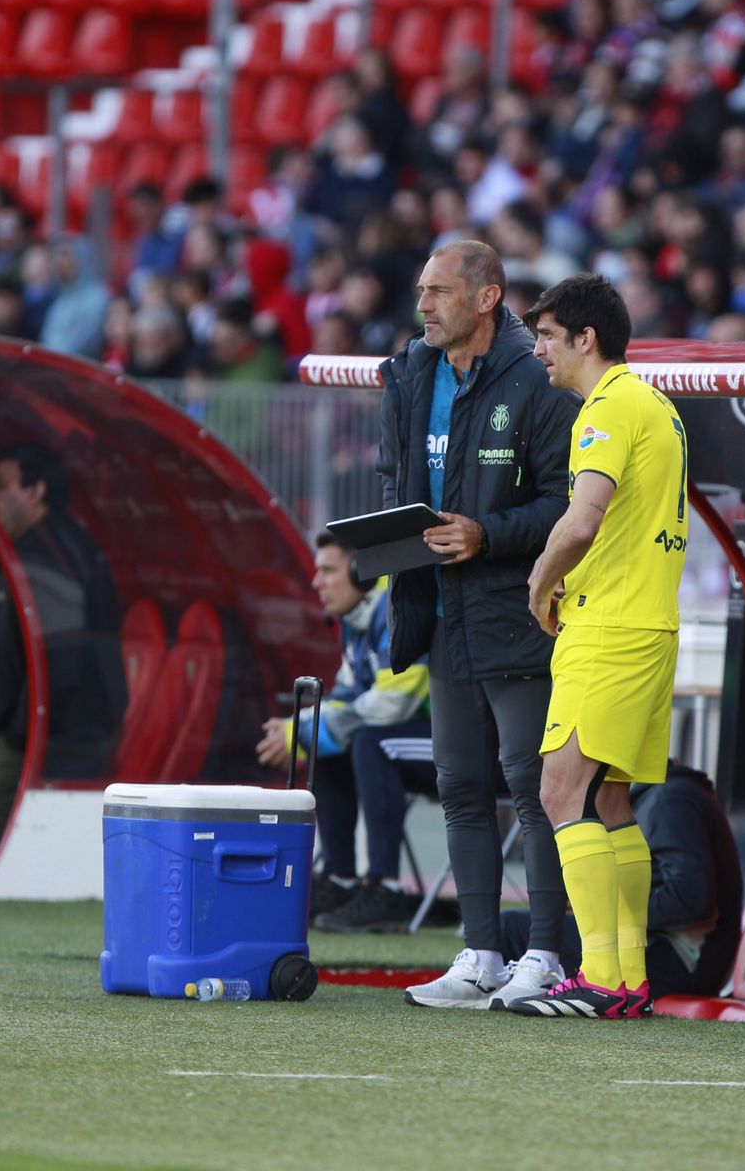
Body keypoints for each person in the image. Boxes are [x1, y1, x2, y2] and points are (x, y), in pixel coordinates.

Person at [378, 240, 577, 1010]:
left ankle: (549, 955)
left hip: (518, 611)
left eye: (438, 291)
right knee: (460, 786)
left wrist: (486, 534)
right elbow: (398, 480)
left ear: (487, 298)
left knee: (533, 788)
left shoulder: (539, 381)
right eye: (421, 291)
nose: (422, 305)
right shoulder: (411, 374)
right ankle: (481, 954)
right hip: (439, 607)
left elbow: (571, 504)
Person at [507, 273, 689, 1018]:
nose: (540, 349)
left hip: (608, 625)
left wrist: (539, 580)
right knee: (610, 800)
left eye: (548, 336)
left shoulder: (608, 406)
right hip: (650, 624)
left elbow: (582, 519)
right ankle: (628, 979)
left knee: (559, 790)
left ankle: (602, 978)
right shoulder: (658, 405)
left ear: (587, 339)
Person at [0, 443, 127, 894]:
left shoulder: (51, 553)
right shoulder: (36, 548)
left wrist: (18, 736)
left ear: (36, 491)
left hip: (40, 743)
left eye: (1, 484)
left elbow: (61, 656)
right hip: (32, 738)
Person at [254, 533, 433, 933]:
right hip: (415, 742)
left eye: (328, 570)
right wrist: (300, 730)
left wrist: (301, 734)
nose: (317, 582)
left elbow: (394, 702)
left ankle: (384, 889)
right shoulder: (356, 619)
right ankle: (340, 878)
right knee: (330, 742)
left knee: (371, 742)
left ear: (362, 571)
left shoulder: (395, 606)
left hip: (463, 747)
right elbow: (346, 698)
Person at [498, 762, 743, 999]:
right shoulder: (662, 794)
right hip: (680, 957)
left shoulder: (669, 800)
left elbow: (692, 898)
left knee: (509, 927)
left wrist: (601, 910)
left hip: (681, 963)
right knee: (518, 925)